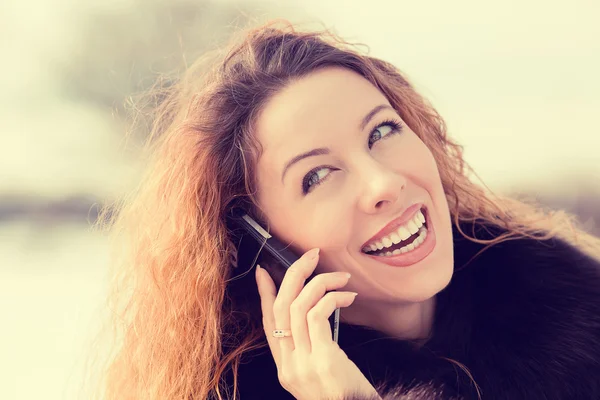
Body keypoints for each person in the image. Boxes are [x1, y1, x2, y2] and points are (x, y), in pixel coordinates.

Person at [96, 20, 600, 400]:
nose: (382, 183)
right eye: (317, 176)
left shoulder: (573, 305)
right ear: (253, 238)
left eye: (382, 132)